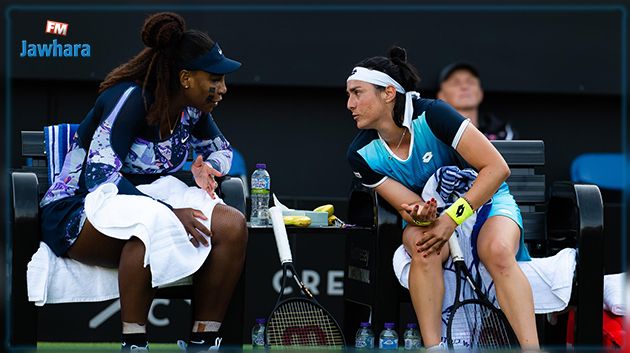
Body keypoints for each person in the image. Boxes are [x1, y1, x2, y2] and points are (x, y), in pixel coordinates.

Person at [38, 12, 247, 352]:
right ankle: (134, 344)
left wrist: (205, 166)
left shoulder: (193, 110)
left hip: (143, 199)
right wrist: (169, 211)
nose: (223, 88)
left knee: (232, 224)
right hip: (76, 210)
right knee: (150, 227)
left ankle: (203, 341)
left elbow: (223, 151)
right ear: (185, 78)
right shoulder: (130, 98)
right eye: (215, 78)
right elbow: (98, 175)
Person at [346, 47, 538, 350]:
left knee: (499, 250)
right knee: (424, 249)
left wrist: (452, 218)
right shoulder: (360, 154)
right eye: (349, 95)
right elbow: (408, 207)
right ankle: (435, 348)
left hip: (484, 201)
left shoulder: (434, 114)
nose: (350, 104)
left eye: (357, 93)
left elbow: (497, 169)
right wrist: (422, 213)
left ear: (388, 93)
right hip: (438, 216)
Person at [437, 62, 517, 140]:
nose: (464, 87)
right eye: (455, 83)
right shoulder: (433, 133)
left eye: (471, 82)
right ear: (441, 96)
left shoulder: (504, 134)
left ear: (480, 93)